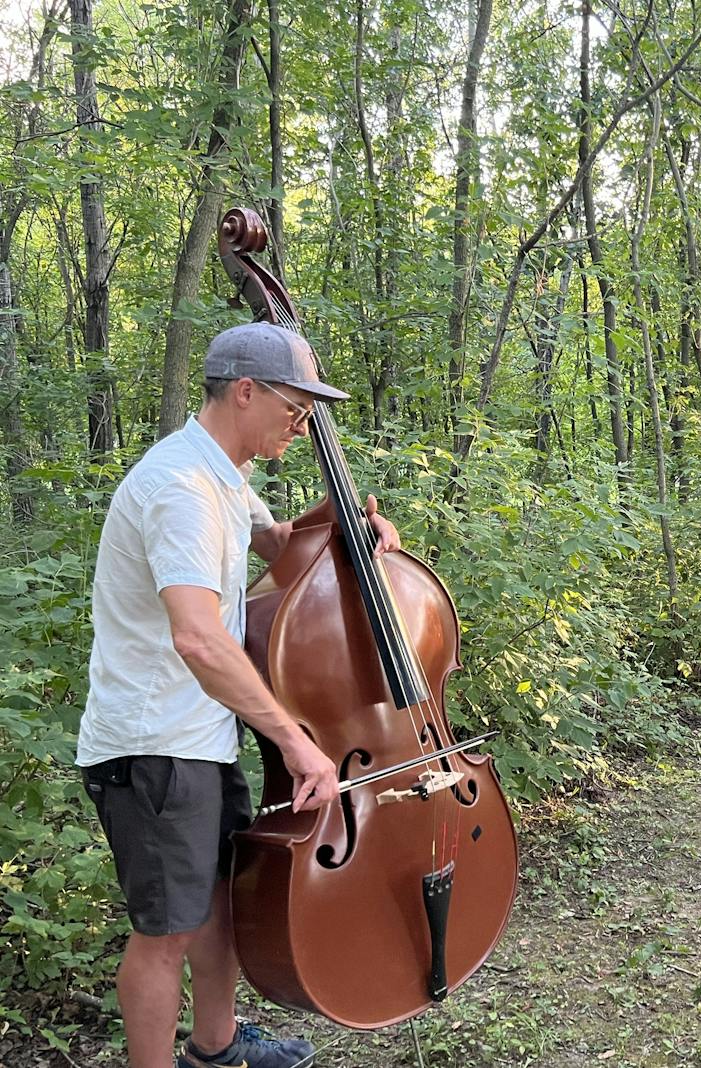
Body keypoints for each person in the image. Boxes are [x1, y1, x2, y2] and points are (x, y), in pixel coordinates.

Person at [76, 322, 401, 1068]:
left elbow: (278, 544)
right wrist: (292, 737)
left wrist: (348, 519)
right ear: (246, 390)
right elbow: (197, 636)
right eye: (296, 406)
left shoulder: (223, 476)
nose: (304, 422)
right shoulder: (181, 488)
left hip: (198, 739)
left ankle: (215, 1050)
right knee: (165, 936)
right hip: (153, 745)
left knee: (214, 906)